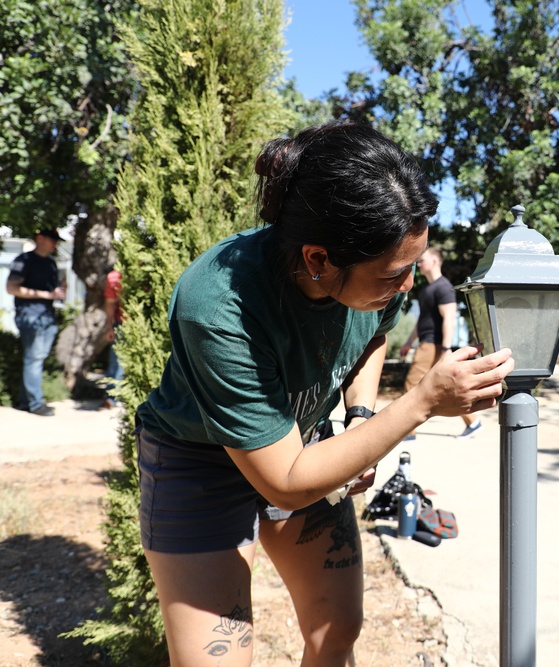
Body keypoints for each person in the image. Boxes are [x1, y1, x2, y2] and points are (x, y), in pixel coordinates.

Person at [135, 121, 514, 667]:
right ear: (317, 260)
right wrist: (421, 402)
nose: (406, 288)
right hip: (198, 464)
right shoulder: (218, 308)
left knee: (338, 628)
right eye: (392, 275)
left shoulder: (380, 271)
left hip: (301, 439)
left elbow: (375, 337)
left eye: (412, 269)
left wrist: (361, 418)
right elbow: (286, 482)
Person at [399, 247, 482, 439]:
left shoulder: (443, 287)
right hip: (427, 342)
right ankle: (474, 422)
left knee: (412, 384)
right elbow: (422, 321)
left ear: (435, 261)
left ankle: (408, 431)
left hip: (433, 345)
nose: (418, 263)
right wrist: (408, 342)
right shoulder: (427, 289)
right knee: (447, 386)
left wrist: (445, 348)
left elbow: (449, 317)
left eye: (422, 260)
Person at [5, 227, 66, 416]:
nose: (55, 243)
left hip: (47, 316)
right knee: (34, 359)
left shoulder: (51, 263)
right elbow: (11, 288)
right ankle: (35, 403)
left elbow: (54, 289)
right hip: (30, 315)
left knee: (36, 358)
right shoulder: (24, 260)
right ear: (40, 238)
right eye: (52, 239)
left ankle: (26, 402)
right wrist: (47, 295)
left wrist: (60, 291)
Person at [101, 268, 123, 409]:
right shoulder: (114, 277)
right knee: (116, 362)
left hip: (147, 322)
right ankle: (111, 398)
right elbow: (110, 303)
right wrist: (109, 327)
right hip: (121, 323)